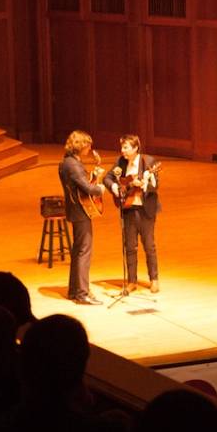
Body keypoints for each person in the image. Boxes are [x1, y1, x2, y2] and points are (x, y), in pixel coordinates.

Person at [56, 130, 109, 304]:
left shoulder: (67, 162)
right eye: (87, 145)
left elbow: (79, 185)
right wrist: (99, 188)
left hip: (76, 210)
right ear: (80, 145)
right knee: (84, 252)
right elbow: (88, 189)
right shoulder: (73, 165)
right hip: (80, 212)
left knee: (79, 251)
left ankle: (75, 291)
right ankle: (82, 293)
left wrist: (94, 176)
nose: (90, 148)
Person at [108, 134, 161, 295]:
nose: (122, 150)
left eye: (125, 147)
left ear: (135, 148)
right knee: (130, 246)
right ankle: (131, 281)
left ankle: (154, 279)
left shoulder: (149, 162)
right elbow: (108, 178)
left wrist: (146, 182)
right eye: (122, 147)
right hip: (128, 209)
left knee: (149, 246)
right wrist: (115, 188)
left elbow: (155, 185)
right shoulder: (120, 162)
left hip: (145, 210)